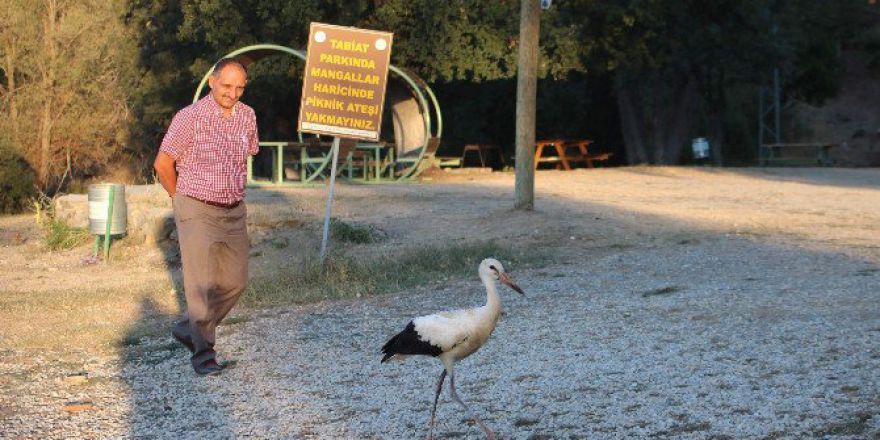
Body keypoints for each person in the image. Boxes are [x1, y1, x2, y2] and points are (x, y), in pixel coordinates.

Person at [153, 58, 258, 376]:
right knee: (200, 286)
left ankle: (189, 327)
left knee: (235, 282)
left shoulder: (248, 116)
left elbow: (248, 155)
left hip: (233, 211)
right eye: (227, 85)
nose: (233, 93)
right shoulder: (190, 118)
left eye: (239, 87)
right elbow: (162, 164)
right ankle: (203, 355)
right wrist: (179, 200)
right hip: (196, 207)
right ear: (212, 82)